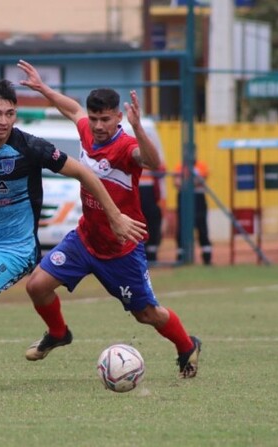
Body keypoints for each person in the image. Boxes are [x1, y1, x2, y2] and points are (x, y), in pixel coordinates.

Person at [0, 78, 147, 389]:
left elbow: (83, 172)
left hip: (15, 249)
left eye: (10, 114)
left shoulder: (29, 146)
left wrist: (115, 215)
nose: (3, 121)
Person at [17, 59, 202, 379]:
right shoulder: (86, 129)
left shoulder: (126, 147)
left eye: (106, 119)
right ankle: (59, 333)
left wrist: (140, 128)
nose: (99, 125)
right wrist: (44, 89)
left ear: (119, 117)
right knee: (37, 286)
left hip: (122, 248)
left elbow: (153, 162)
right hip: (85, 238)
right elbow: (72, 109)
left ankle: (187, 346)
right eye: (95, 118)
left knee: (146, 314)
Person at [173, 160, 212, 265]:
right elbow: (176, 182)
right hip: (183, 198)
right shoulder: (179, 167)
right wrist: (191, 182)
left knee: (202, 227)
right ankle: (181, 256)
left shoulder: (201, 166)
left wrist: (185, 182)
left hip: (198, 199)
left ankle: (207, 257)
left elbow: (200, 180)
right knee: (182, 228)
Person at [139, 165, 166, 263]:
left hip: (150, 197)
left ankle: (152, 254)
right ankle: (143, 252)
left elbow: (162, 170)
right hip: (137, 196)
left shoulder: (152, 160)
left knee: (153, 224)